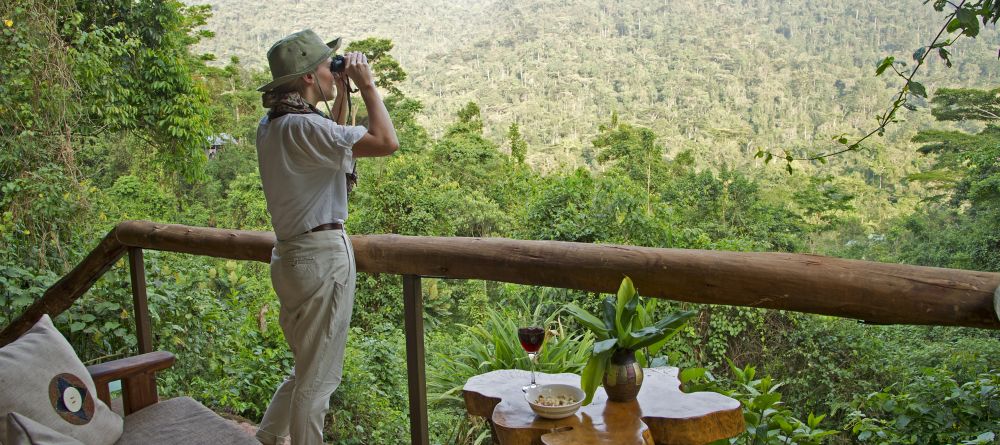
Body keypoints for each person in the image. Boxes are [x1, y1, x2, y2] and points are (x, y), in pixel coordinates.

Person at [253, 29, 399, 445]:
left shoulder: (273, 124)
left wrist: (341, 95)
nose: (333, 71)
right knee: (318, 382)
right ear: (306, 78)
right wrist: (368, 85)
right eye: (327, 66)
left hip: (291, 259)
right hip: (320, 260)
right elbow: (386, 141)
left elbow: (327, 142)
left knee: (306, 370)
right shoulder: (302, 126)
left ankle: (266, 438)